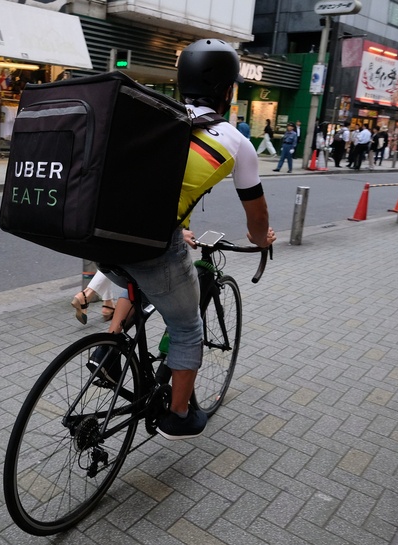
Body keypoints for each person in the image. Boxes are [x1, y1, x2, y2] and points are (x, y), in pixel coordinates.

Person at [102, 39, 276, 440]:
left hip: (102, 235)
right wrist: (261, 239)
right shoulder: (235, 142)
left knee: (138, 282)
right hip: (152, 246)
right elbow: (257, 217)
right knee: (187, 327)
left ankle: (108, 351)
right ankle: (177, 415)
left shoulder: (154, 117)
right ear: (229, 91)